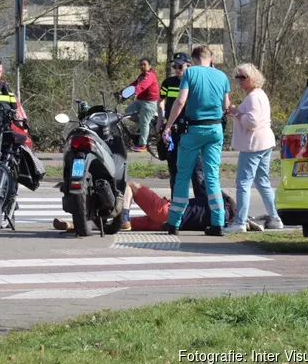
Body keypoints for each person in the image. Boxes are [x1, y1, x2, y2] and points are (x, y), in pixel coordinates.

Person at [162, 45, 231, 237]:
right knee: (211, 176)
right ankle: (217, 223)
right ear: (211, 58)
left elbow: (181, 101)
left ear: (192, 60)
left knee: (183, 175)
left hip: (193, 130)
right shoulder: (222, 76)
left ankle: (174, 223)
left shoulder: (190, 73)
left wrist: (168, 126)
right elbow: (226, 105)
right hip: (215, 129)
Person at [225, 64, 283, 233]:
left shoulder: (253, 97)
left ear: (253, 78)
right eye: (238, 77)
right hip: (264, 142)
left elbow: (252, 122)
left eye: (243, 77)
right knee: (262, 181)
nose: (239, 81)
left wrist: (236, 112)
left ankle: (240, 222)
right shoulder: (259, 95)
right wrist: (237, 113)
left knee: (243, 182)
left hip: (254, 144)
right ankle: (275, 217)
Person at [52, 182, 244, 232]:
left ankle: (124, 216)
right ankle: (73, 225)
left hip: (167, 211)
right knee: (113, 225)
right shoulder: (219, 220)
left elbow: (209, 187)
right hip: (163, 224)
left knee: (131, 186)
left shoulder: (218, 202)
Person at [157, 52, 207, 199]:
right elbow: (160, 100)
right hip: (173, 130)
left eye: (180, 66)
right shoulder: (168, 82)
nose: (177, 69)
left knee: (197, 171)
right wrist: (160, 119)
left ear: (188, 66)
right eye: (174, 66)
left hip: (191, 130)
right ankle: (176, 205)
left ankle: (201, 205)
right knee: (174, 170)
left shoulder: (194, 81)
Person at [122, 58, 159, 152]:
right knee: (127, 112)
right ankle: (148, 124)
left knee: (143, 123)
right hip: (140, 101)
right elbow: (133, 85)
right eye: (140, 65)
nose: (142, 66)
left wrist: (135, 92)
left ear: (149, 66)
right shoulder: (141, 76)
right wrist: (122, 92)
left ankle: (143, 145)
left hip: (149, 103)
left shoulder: (150, 75)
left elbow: (142, 86)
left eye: (144, 65)